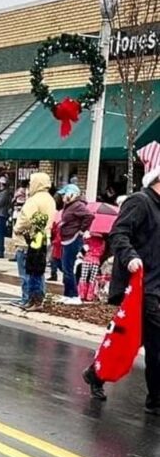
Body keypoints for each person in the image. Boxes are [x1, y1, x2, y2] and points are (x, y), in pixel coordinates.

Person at [84, 165, 160, 411]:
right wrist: (130, 258)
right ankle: (156, 400)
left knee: (129, 340)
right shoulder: (140, 202)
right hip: (141, 287)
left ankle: (96, 373)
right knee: (156, 343)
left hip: (156, 285)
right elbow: (118, 234)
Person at [12, 172, 55, 309]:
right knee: (39, 271)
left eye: (31, 182)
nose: (29, 185)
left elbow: (25, 219)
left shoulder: (34, 200)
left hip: (28, 240)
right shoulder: (50, 199)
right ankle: (39, 299)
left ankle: (29, 299)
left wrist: (17, 228)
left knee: (27, 271)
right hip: (44, 238)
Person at [57, 184, 94, 305]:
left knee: (68, 268)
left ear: (72, 194)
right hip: (67, 238)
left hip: (72, 238)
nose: (62, 197)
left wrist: (81, 230)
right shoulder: (70, 206)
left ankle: (74, 295)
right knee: (65, 267)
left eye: (65, 194)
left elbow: (89, 216)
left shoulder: (78, 205)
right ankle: (67, 294)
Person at [78, 231, 107, 302]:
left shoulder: (88, 240)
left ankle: (81, 294)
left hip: (87, 259)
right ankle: (89, 296)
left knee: (83, 277)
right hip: (96, 261)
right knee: (92, 279)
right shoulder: (102, 242)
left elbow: (84, 248)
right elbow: (102, 252)